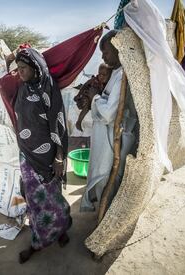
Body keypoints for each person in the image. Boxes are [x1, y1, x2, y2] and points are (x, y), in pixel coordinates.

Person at [13, 47, 72, 264]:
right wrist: (12, 56)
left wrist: (59, 157)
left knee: (53, 198)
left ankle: (61, 228)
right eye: (17, 68)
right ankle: (38, 240)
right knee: (35, 200)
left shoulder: (48, 88)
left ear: (35, 68)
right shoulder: (21, 89)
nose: (19, 72)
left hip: (48, 158)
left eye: (23, 68)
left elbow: (58, 122)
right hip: (27, 156)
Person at [78, 30, 124, 212]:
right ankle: (100, 207)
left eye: (106, 52)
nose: (104, 57)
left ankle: (106, 213)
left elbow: (108, 114)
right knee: (98, 170)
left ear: (117, 49)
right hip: (101, 134)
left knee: (105, 174)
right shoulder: (114, 73)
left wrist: (96, 97)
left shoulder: (122, 77)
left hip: (109, 136)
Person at [74, 63, 112, 131]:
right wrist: (78, 95)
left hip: (95, 100)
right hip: (87, 96)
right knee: (86, 107)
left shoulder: (108, 85)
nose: (101, 76)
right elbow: (84, 85)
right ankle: (79, 122)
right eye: (100, 74)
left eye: (104, 75)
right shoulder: (94, 80)